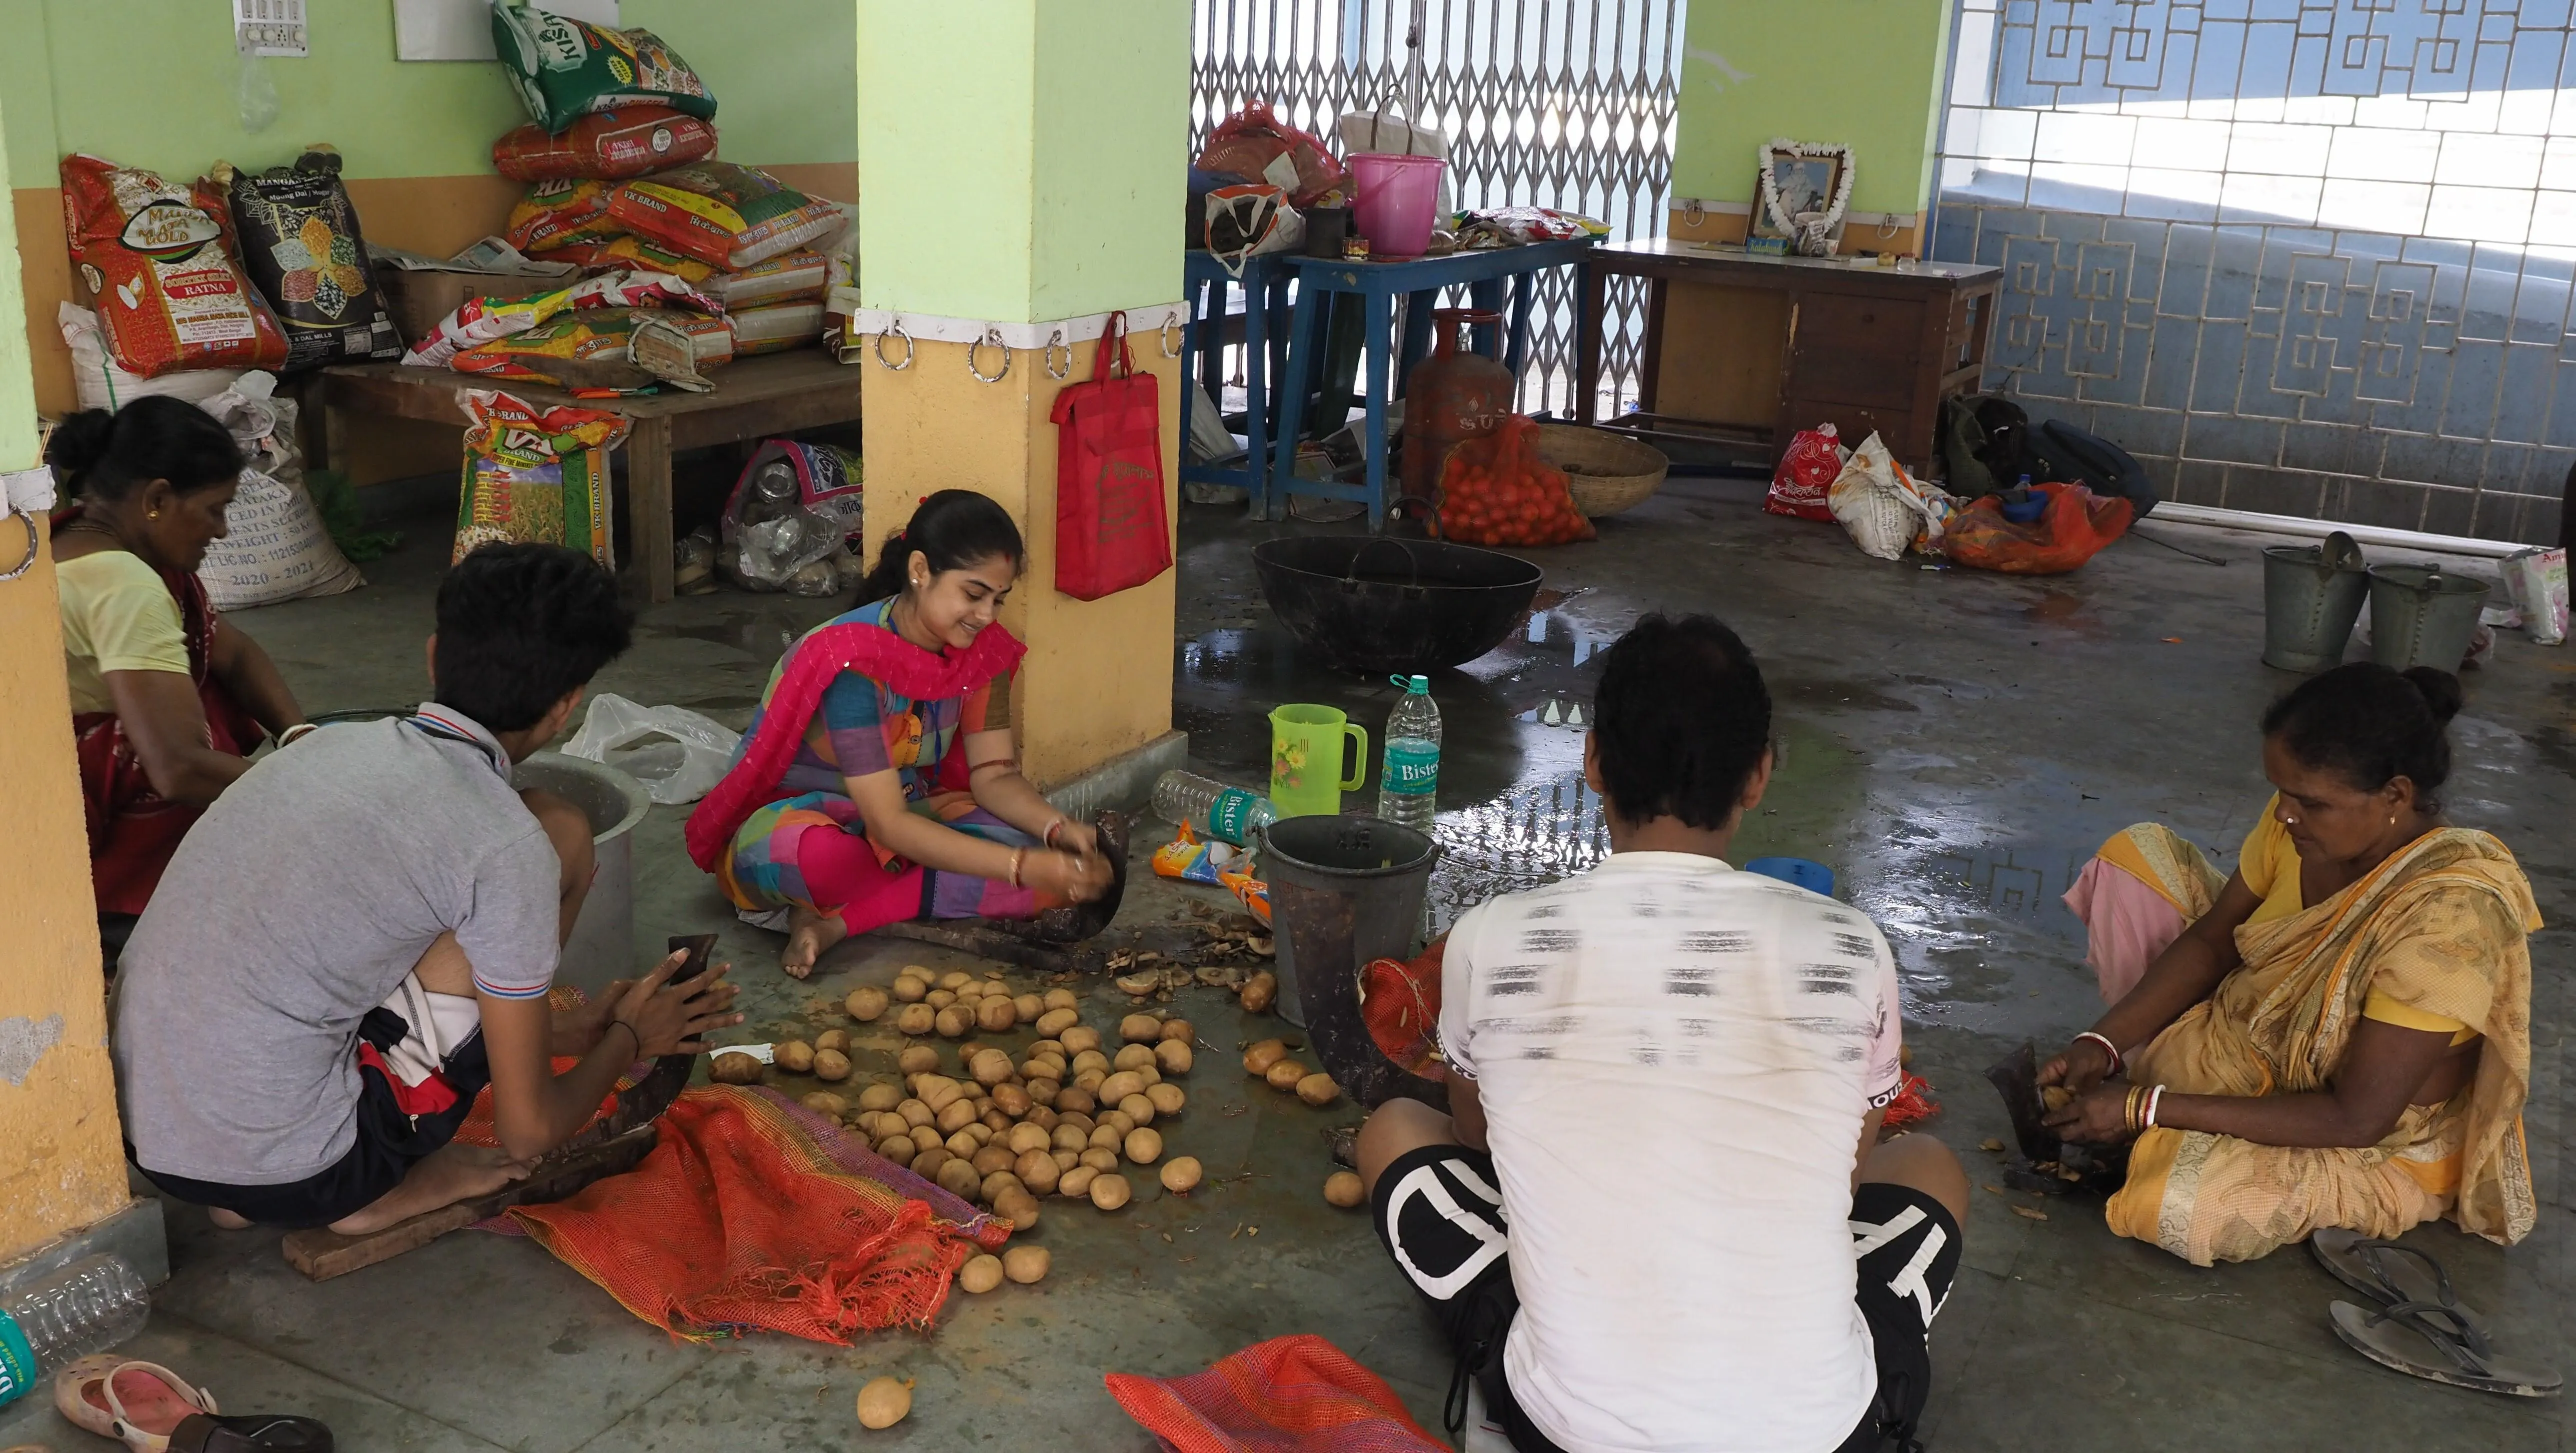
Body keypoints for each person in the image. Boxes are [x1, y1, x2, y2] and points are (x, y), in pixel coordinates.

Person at [1354, 614, 1969, 1453]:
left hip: (1567, 1431)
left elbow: (1474, 1133)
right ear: (1757, 777)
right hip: (1828, 1433)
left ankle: (1525, 1338)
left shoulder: (1493, 937)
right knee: (1930, 1165)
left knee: (1394, 1132)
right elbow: (1852, 1166)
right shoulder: (1851, 948)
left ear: (1594, 761)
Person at [112, 544, 742, 1234]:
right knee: (558, 830)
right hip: (311, 1165)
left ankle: (260, 1170)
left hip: (153, 1137)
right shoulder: (505, 843)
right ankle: (367, 1190)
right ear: (566, 707)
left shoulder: (324, 746)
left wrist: (569, 1030)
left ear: (434, 656)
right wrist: (627, 1036)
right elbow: (528, 1132)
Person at [2045, 662, 2539, 1266]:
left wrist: (2144, 1106)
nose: (2284, 815)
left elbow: (2357, 1117)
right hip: (2245, 1030)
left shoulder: (2448, 919)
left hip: (2363, 1135)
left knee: (2175, 1205)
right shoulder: (2300, 824)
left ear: (2397, 796)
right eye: (2281, 792)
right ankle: (2161, 1099)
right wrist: (2104, 1040)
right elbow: (2214, 942)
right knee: (2132, 861)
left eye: (2311, 803)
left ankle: (2167, 1118)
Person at [685, 490, 1123, 977]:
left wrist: (1055, 829)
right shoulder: (853, 666)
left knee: (1053, 870)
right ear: (920, 570)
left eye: (999, 600)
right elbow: (889, 825)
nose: (987, 616)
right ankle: (860, 913)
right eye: (973, 594)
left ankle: (832, 922)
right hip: (803, 815)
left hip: (914, 802)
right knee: (825, 863)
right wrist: (1018, 867)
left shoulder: (984, 653)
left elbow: (995, 774)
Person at [47, 398, 305, 929]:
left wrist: (300, 736)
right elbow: (177, 769)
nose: (223, 530)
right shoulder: (125, 586)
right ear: (158, 499)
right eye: (215, 508)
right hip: (102, 861)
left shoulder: (66, 544)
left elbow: (234, 653)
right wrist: (312, 798)